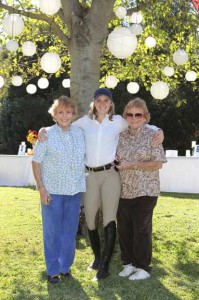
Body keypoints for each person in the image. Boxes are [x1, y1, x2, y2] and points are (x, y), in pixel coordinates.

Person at [38, 88, 164, 281]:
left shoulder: (119, 121)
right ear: (94, 103)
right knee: (90, 218)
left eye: (106, 100)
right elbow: (62, 123)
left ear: (111, 103)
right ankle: (97, 257)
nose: (103, 103)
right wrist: (42, 130)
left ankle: (104, 266)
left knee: (110, 218)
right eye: (99, 100)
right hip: (89, 175)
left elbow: (139, 123)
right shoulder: (83, 123)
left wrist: (159, 130)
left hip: (110, 175)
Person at [32, 95, 86, 284]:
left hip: (74, 191)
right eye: (60, 112)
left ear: (73, 114)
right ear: (54, 115)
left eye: (68, 112)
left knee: (70, 232)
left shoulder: (80, 133)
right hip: (52, 192)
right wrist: (41, 189)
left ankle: (65, 267)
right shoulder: (46, 135)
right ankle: (53, 269)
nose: (65, 115)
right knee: (52, 232)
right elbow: (36, 163)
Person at [116, 98, 167, 280]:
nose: (134, 117)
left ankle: (143, 267)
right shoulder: (121, 135)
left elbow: (158, 163)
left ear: (145, 117)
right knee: (124, 229)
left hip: (146, 190)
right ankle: (128, 263)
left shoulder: (153, 135)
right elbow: (115, 158)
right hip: (123, 190)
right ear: (125, 116)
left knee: (141, 228)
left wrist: (132, 165)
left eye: (138, 114)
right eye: (130, 114)